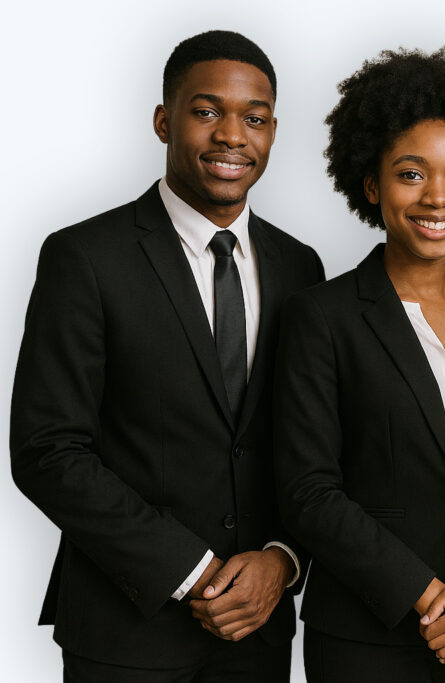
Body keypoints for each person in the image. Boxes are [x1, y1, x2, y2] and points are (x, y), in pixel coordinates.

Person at [9, 30, 324, 681]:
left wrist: (283, 557)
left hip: (257, 629)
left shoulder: (301, 267)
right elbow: (47, 449)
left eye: (254, 118)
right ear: (163, 120)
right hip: (126, 629)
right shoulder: (85, 257)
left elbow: (308, 444)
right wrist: (192, 570)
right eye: (206, 111)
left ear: (273, 132)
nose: (232, 135)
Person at [272, 47, 445, 682]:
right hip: (367, 638)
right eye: (410, 174)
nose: (438, 197)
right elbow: (309, 491)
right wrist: (431, 601)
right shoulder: (321, 316)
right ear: (371, 185)